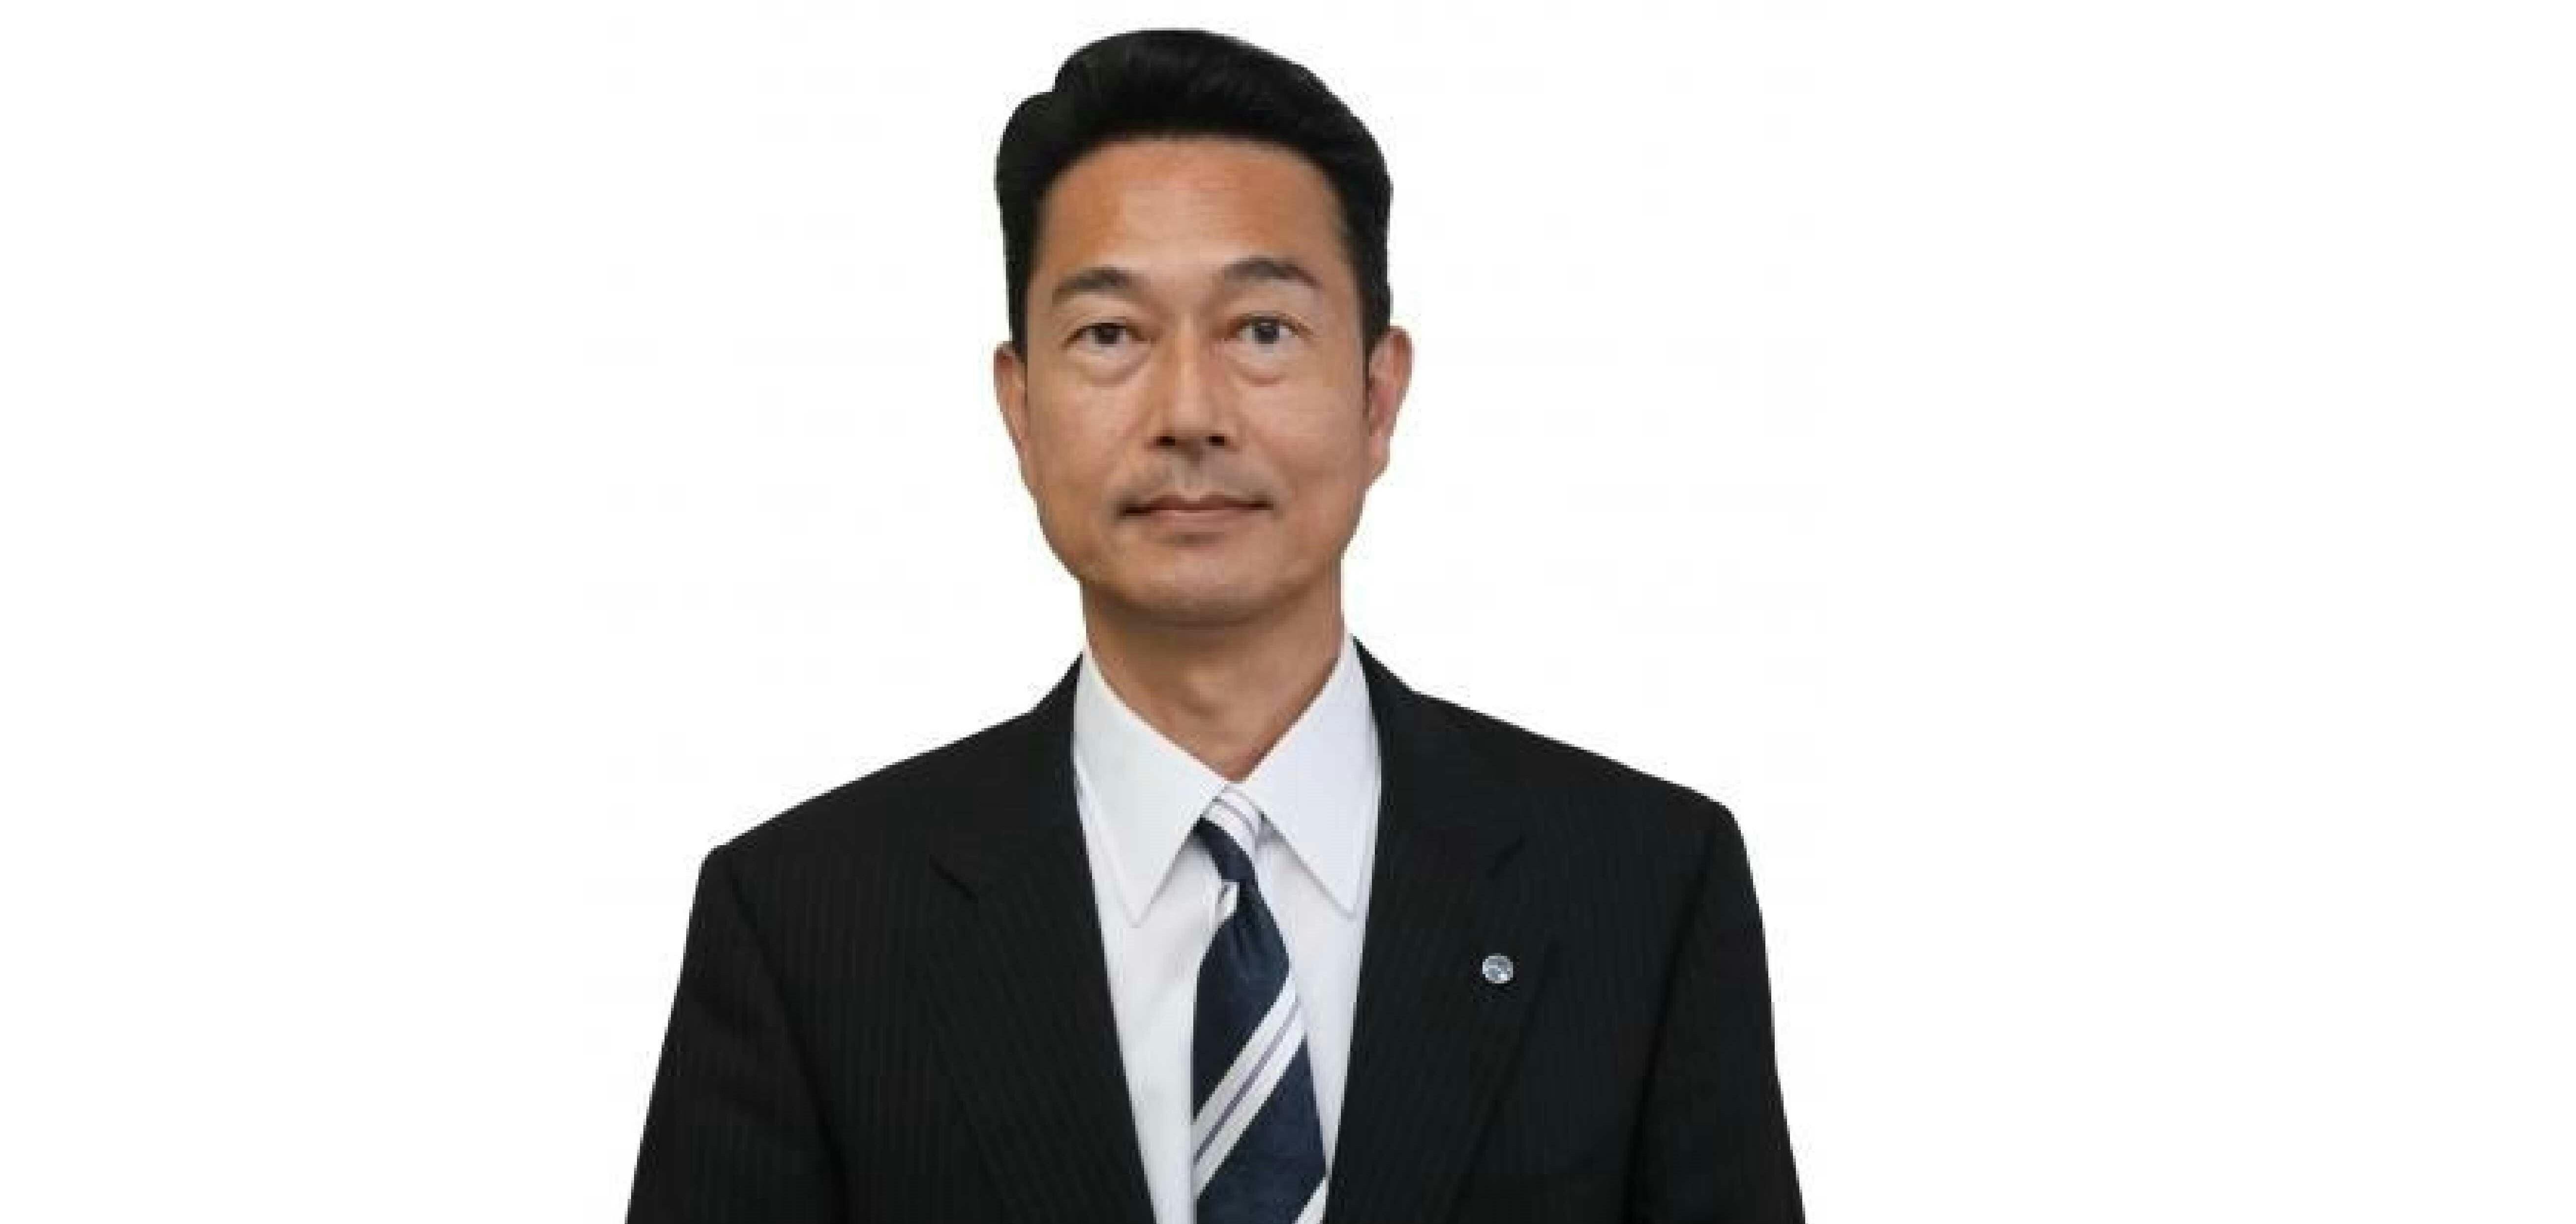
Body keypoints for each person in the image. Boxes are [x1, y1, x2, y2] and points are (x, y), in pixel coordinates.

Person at [624, 28, 1804, 1224]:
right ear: (1021, 409)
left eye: (1261, 330)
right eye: (1110, 334)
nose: (1189, 412)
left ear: (1377, 396)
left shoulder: (1643, 887)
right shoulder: (804, 922)